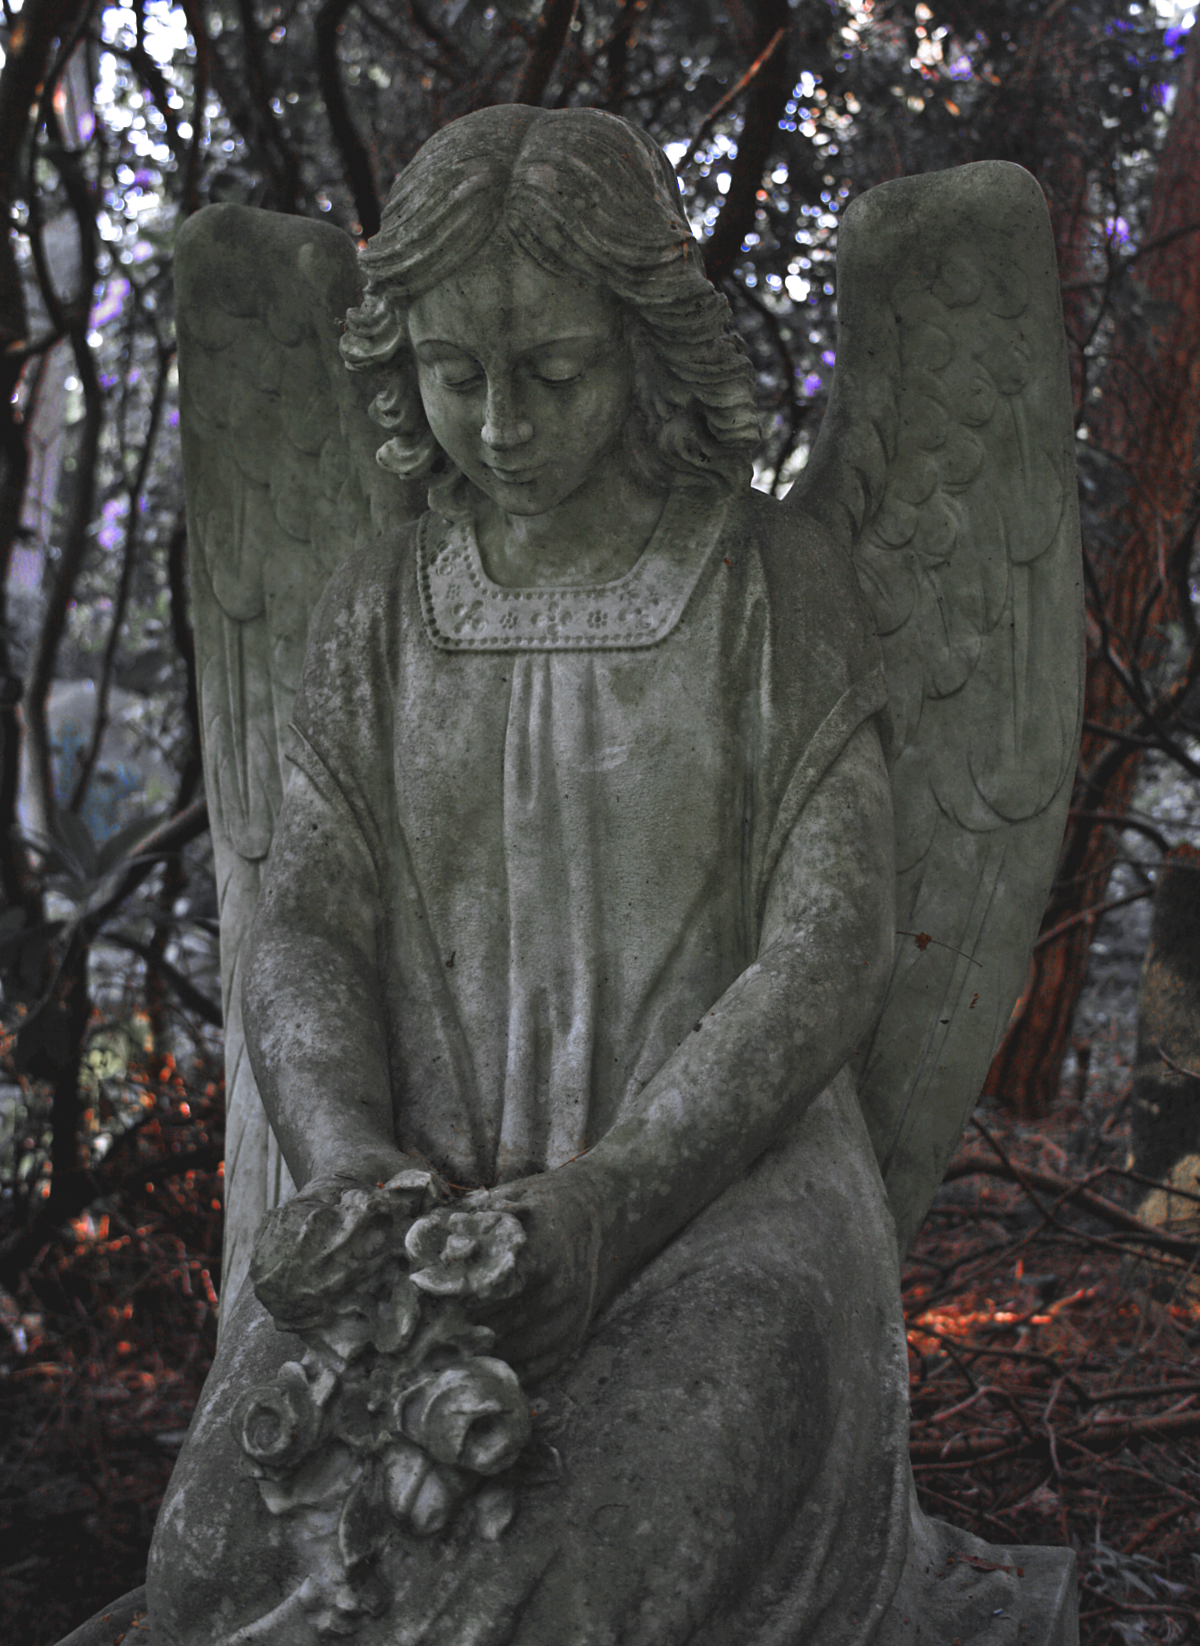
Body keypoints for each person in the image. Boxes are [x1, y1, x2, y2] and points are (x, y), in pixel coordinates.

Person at [148, 106, 911, 1646]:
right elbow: (306, 919)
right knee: (211, 1575)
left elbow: (832, 946)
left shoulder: (769, 586)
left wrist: (615, 1200)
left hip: (720, 1209)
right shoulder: (378, 606)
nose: (498, 423)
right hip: (419, 1208)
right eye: (454, 373)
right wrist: (348, 1163)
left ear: (642, 348)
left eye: (551, 372)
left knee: (568, 1591)